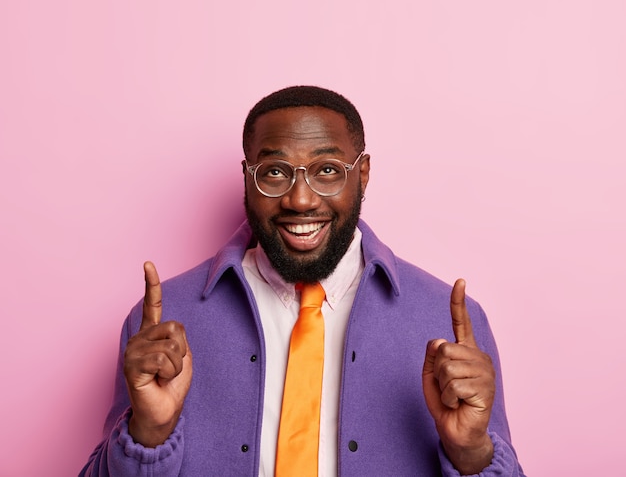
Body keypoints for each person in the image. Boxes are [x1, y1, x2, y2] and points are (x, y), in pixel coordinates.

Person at [81, 85, 525, 476]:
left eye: (327, 170)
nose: (300, 198)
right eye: (274, 172)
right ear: (247, 177)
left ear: (363, 175)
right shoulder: (161, 324)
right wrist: (148, 435)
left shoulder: (448, 321)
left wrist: (471, 453)